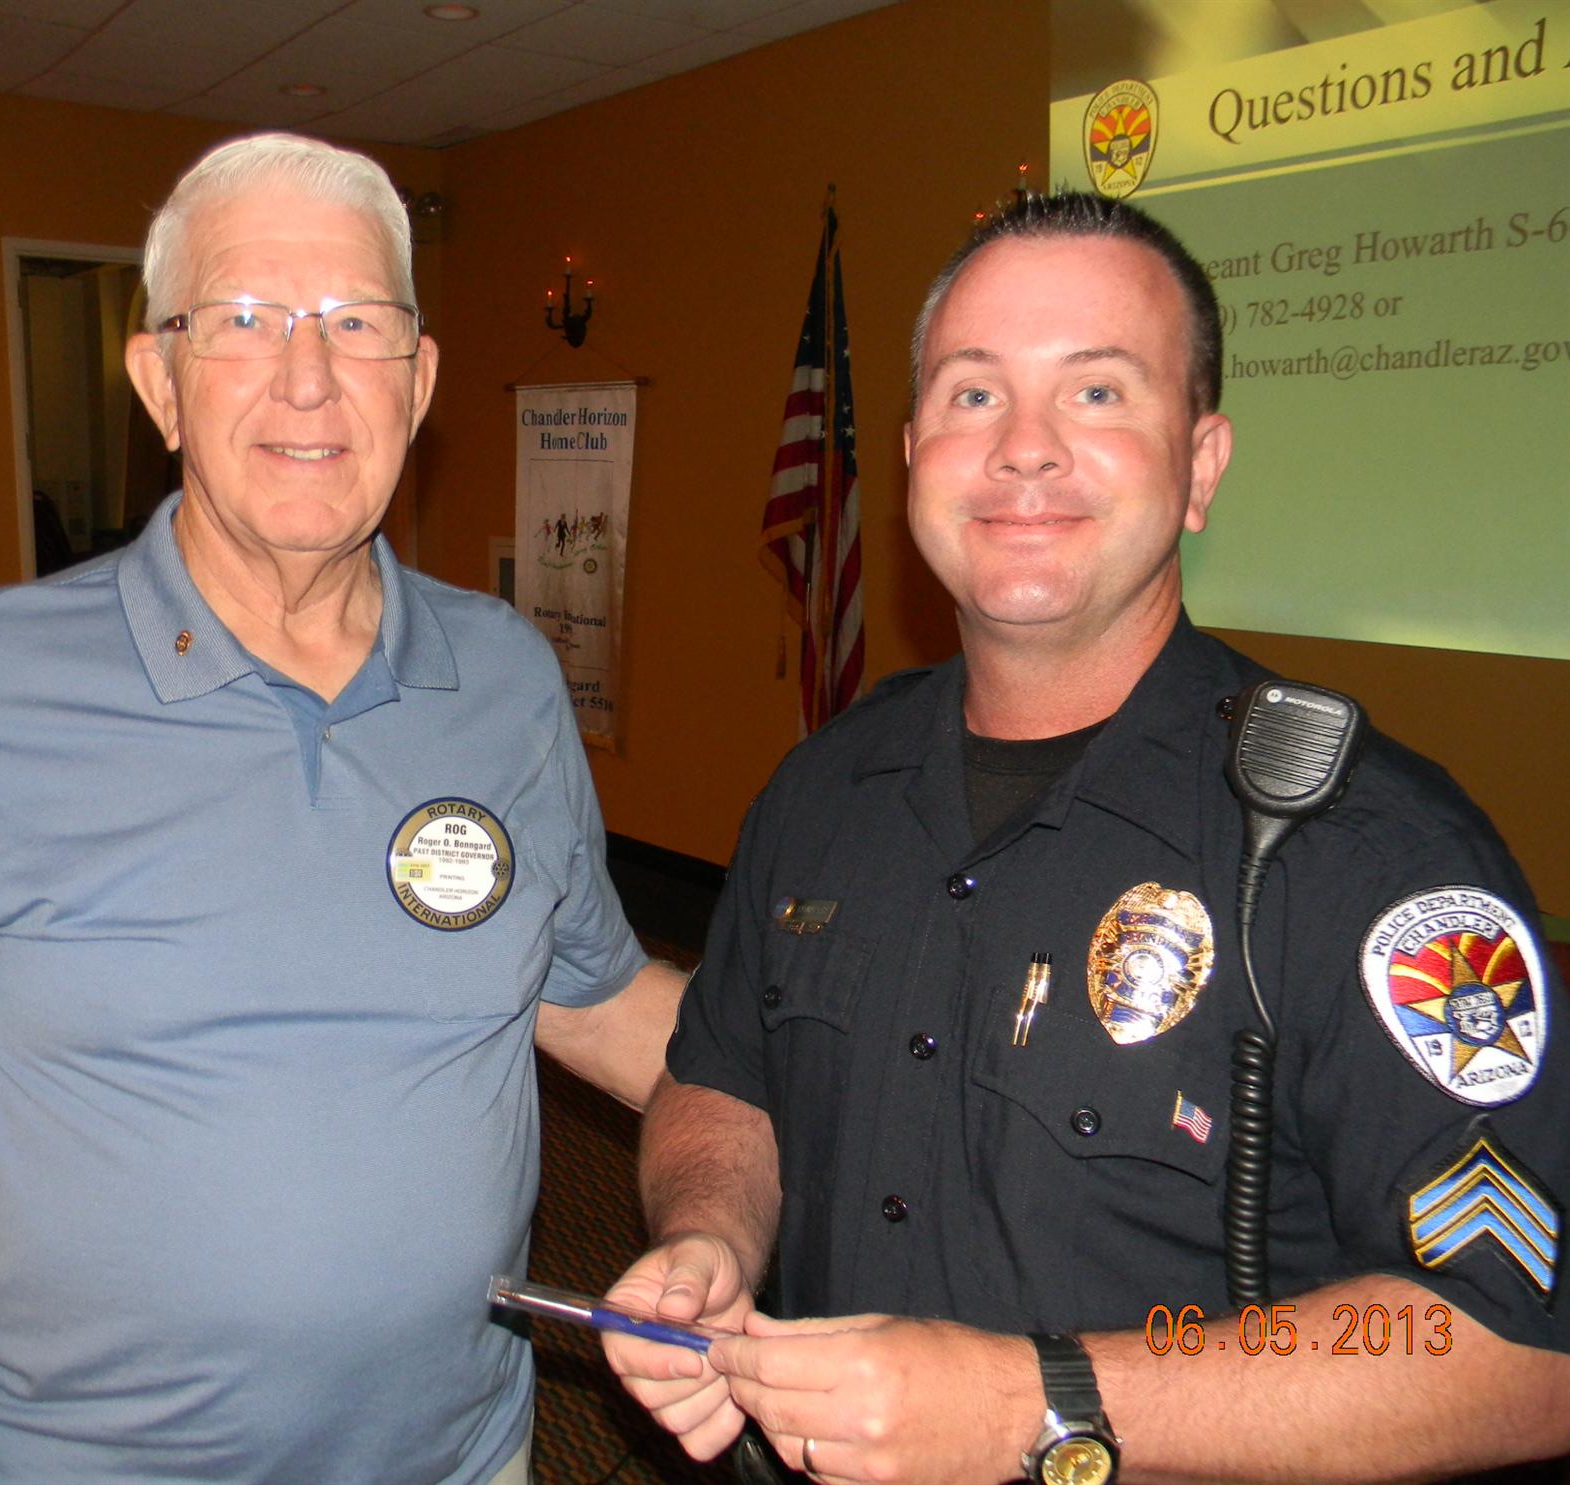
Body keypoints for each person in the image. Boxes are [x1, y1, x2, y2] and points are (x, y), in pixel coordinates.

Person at [604, 193, 1569, 1483]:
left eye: (1098, 392)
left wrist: (1034, 1403)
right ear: (914, 456)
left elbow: (1520, 1346)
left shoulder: (1367, 851)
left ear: (1202, 466)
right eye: (974, 394)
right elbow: (727, 1077)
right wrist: (710, 1237)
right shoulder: (821, 791)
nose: (1025, 449)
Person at [0, 132, 684, 1485]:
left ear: (419, 380)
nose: (307, 376)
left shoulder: (504, 678)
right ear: (160, 381)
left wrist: (874, 1085)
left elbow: (593, 996)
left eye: (357, 323)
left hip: (460, 1461)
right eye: (246, 319)